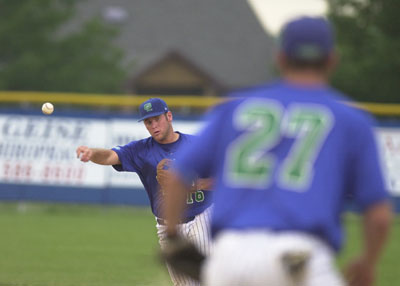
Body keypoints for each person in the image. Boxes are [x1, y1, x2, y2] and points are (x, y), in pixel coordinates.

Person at [162, 16, 393, 286]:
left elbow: (178, 177)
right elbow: (378, 215)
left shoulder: (234, 110)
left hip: (228, 257)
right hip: (299, 257)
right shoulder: (351, 120)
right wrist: (368, 262)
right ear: (332, 59)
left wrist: (174, 239)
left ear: (280, 58)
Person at [76, 98, 213, 286]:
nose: (154, 125)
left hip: (201, 217)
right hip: (167, 226)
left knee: (209, 278)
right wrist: (92, 154)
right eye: (149, 122)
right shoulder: (140, 150)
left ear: (169, 116)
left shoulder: (197, 144)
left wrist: (193, 184)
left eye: (157, 119)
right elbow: (109, 156)